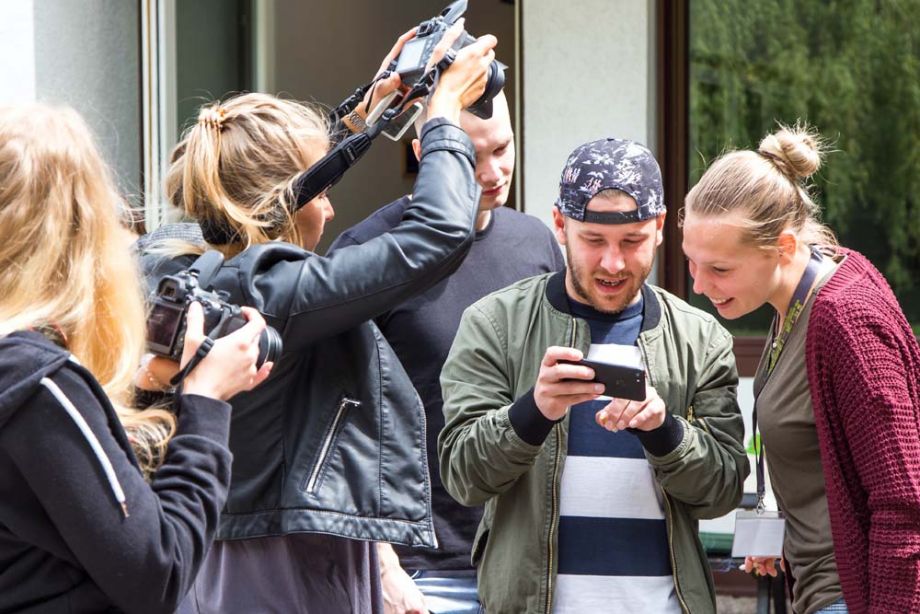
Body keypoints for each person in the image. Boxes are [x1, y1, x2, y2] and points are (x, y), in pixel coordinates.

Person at [141, 26, 498, 613]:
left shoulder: (187, 261)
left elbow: (274, 178)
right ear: (287, 201)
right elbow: (437, 233)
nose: (331, 205)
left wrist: (370, 111)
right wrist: (442, 116)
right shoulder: (267, 290)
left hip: (243, 546)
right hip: (282, 562)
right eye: (320, 190)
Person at [438, 137, 749, 613]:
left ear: (661, 227)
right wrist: (533, 412)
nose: (612, 263)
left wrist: (665, 430)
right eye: (592, 240)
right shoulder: (495, 324)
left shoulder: (700, 338)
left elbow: (723, 491)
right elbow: (463, 476)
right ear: (560, 225)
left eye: (632, 241)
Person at [0, 103, 271, 613]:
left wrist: (140, 389)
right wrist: (205, 403)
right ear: (80, 231)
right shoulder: (37, 385)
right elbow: (156, 570)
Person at [329, 90, 564, 614]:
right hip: (422, 573)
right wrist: (383, 568)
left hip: (527, 562)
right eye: (471, 155)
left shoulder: (535, 243)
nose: (492, 171)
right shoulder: (370, 255)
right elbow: (338, 424)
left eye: (502, 148)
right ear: (424, 153)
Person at [681, 124, 920, 614]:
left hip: (854, 598)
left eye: (720, 269)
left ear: (784, 247)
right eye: (691, 262)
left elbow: (904, 499)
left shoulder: (845, 318)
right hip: (815, 589)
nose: (701, 285)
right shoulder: (793, 298)